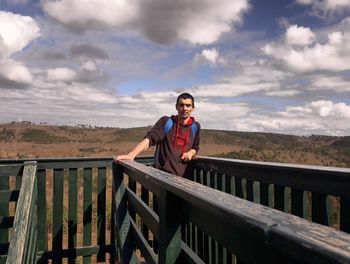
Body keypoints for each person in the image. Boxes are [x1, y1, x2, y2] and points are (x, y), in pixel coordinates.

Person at [114, 92, 200, 177]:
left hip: (185, 180)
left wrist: (191, 153)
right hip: (163, 177)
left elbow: (195, 147)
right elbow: (150, 140)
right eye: (181, 105)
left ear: (193, 108)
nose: (184, 108)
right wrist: (131, 155)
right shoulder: (166, 122)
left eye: (188, 105)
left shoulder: (195, 127)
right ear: (176, 107)